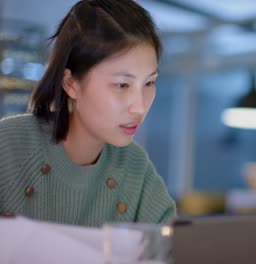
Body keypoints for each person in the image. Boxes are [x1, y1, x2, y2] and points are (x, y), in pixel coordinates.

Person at [0, 0, 176, 226]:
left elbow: (174, 249)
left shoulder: (134, 168)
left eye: (149, 82)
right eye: (122, 85)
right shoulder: (8, 146)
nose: (140, 107)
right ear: (71, 83)